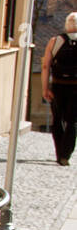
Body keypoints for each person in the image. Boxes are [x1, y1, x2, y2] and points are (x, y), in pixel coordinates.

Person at [42, 12, 77, 166]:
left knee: (57, 120)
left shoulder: (54, 41)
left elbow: (45, 66)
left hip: (58, 86)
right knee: (72, 122)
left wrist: (45, 88)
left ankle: (59, 152)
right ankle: (65, 155)